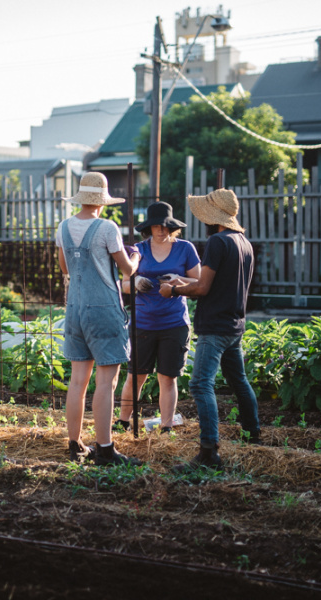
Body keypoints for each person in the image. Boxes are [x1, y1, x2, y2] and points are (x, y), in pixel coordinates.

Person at [159, 188, 260, 470]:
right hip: (234, 325)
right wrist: (181, 281)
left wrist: (173, 291)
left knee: (200, 384)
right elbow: (216, 283)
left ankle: (208, 452)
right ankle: (253, 434)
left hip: (214, 326)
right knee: (239, 381)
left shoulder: (217, 241)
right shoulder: (244, 242)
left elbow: (203, 288)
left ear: (213, 217)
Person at [56, 172, 142, 466]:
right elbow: (127, 270)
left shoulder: (64, 226)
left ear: (81, 198)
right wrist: (136, 257)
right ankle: (105, 449)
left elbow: (65, 268)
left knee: (77, 381)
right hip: (104, 309)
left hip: (75, 309)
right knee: (106, 381)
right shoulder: (107, 228)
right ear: (103, 202)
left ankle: (75, 445)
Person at [117, 202, 200, 433]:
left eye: (165, 226)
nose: (161, 230)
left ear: (172, 227)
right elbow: (123, 284)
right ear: (149, 228)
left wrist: (178, 280)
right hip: (143, 323)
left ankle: (166, 427)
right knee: (136, 376)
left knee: (167, 377)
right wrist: (135, 282)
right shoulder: (138, 250)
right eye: (156, 226)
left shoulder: (185, 249)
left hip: (174, 323)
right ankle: (123, 421)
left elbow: (199, 282)